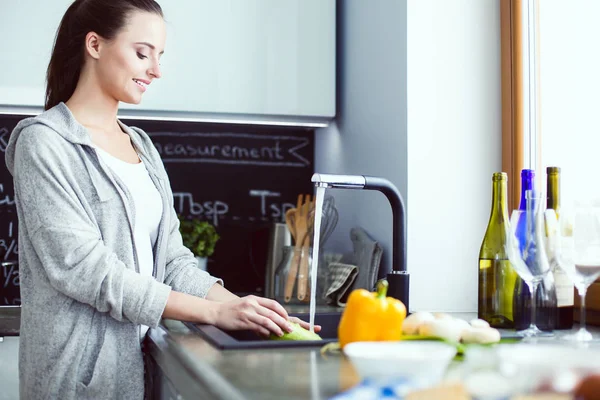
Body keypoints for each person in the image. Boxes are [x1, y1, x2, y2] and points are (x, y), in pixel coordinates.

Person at [5, 1, 319, 399]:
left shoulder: (142, 146)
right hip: (79, 382)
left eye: (160, 56)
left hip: (141, 370)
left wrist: (244, 308)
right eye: (142, 53)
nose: (156, 70)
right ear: (95, 45)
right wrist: (213, 313)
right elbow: (84, 270)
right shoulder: (44, 143)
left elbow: (172, 261)